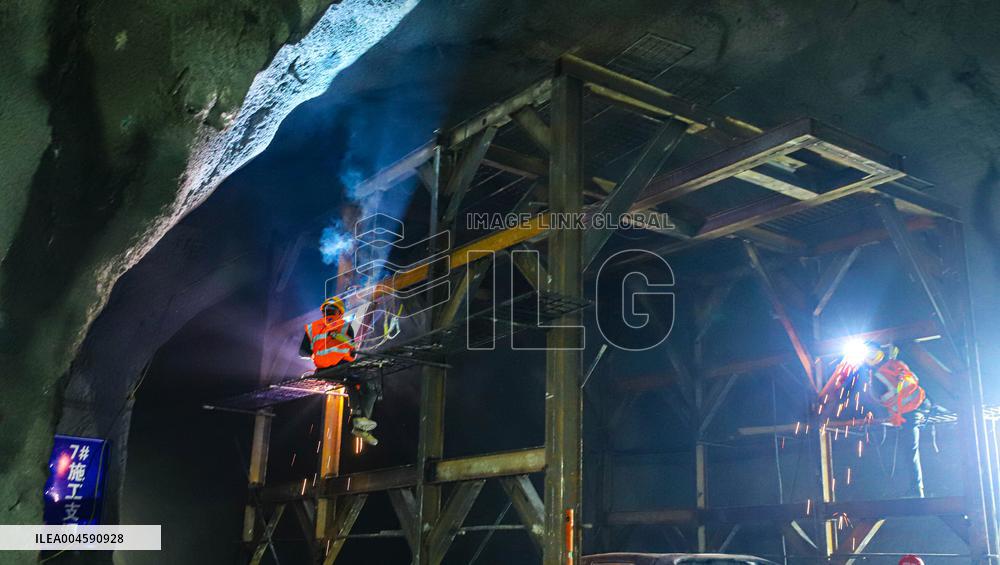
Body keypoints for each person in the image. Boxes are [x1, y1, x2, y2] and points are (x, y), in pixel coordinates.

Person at [300, 297, 380, 446]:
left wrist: (319, 356)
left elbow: (303, 353)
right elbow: (352, 349)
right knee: (371, 385)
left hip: (322, 372)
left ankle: (360, 423)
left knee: (351, 382)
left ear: (324, 311)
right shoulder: (345, 326)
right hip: (341, 368)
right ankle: (359, 420)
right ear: (340, 312)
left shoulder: (312, 328)